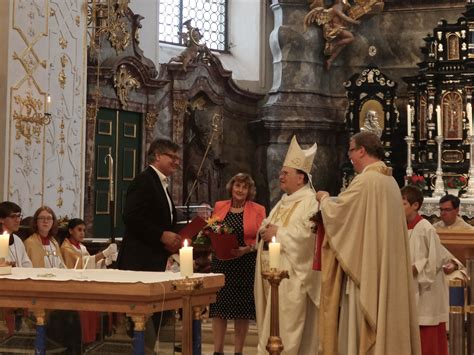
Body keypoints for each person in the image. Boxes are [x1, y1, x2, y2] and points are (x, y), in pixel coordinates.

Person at [316, 131, 421, 355]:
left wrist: (324, 200)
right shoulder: (389, 181)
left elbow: (340, 214)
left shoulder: (365, 180)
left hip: (367, 271)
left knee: (358, 329)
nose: (349, 155)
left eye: (351, 150)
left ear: (362, 150)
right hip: (386, 269)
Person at [255, 136, 320, 355]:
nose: (280, 176)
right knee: (272, 322)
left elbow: (308, 238)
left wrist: (278, 233)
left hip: (292, 277)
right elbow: (269, 225)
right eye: (281, 172)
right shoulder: (284, 200)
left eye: (285, 173)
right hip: (273, 275)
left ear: (300, 178)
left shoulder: (310, 201)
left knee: (288, 325)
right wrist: (263, 231)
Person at [209, 173, 266, 355]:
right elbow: (213, 230)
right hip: (222, 263)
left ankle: (238, 352)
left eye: (244, 187)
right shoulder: (219, 206)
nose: (240, 190)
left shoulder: (258, 209)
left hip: (244, 264)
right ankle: (218, 351)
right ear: (231, 187)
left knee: (242, 311)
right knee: (219, 308)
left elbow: (261, 239)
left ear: (249, 191)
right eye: (237, 186)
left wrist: (246, 249)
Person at [118, 138, 182, 272]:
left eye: (178, 158)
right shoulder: (145, 180)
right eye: (173, 157)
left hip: (153, 257)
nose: (177, 162)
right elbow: (131, 216)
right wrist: (161, 235)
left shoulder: (159, 182)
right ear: (158, 156)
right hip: (139, 260)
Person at [401, 185, 450, 355]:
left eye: (404, 204)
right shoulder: (401, 227)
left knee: (427, 333)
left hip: (425, 289)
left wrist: (418, 267)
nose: (400, 207)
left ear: (416, 205)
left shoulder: (426, 228)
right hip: (409, 285)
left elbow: (437, 259)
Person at [0, 201, 32, 267]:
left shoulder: (17, 240)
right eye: (13, 216)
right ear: (1, 219)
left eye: (19, 216)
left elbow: (27, 265)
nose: (18, 220)